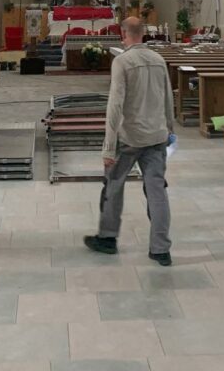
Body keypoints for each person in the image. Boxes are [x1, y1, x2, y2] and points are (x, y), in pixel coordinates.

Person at [84, 16, 175, 266]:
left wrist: (108, 147)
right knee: (157, 191)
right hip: (156, 135)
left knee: (113, 184)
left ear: (124, 34)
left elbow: (115, 106)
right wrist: (169, 128)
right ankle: (160, 249)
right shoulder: (158, 59)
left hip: (129, 137)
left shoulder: (122, 61)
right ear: (143, 33)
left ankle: (108, 238)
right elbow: (168, 97)